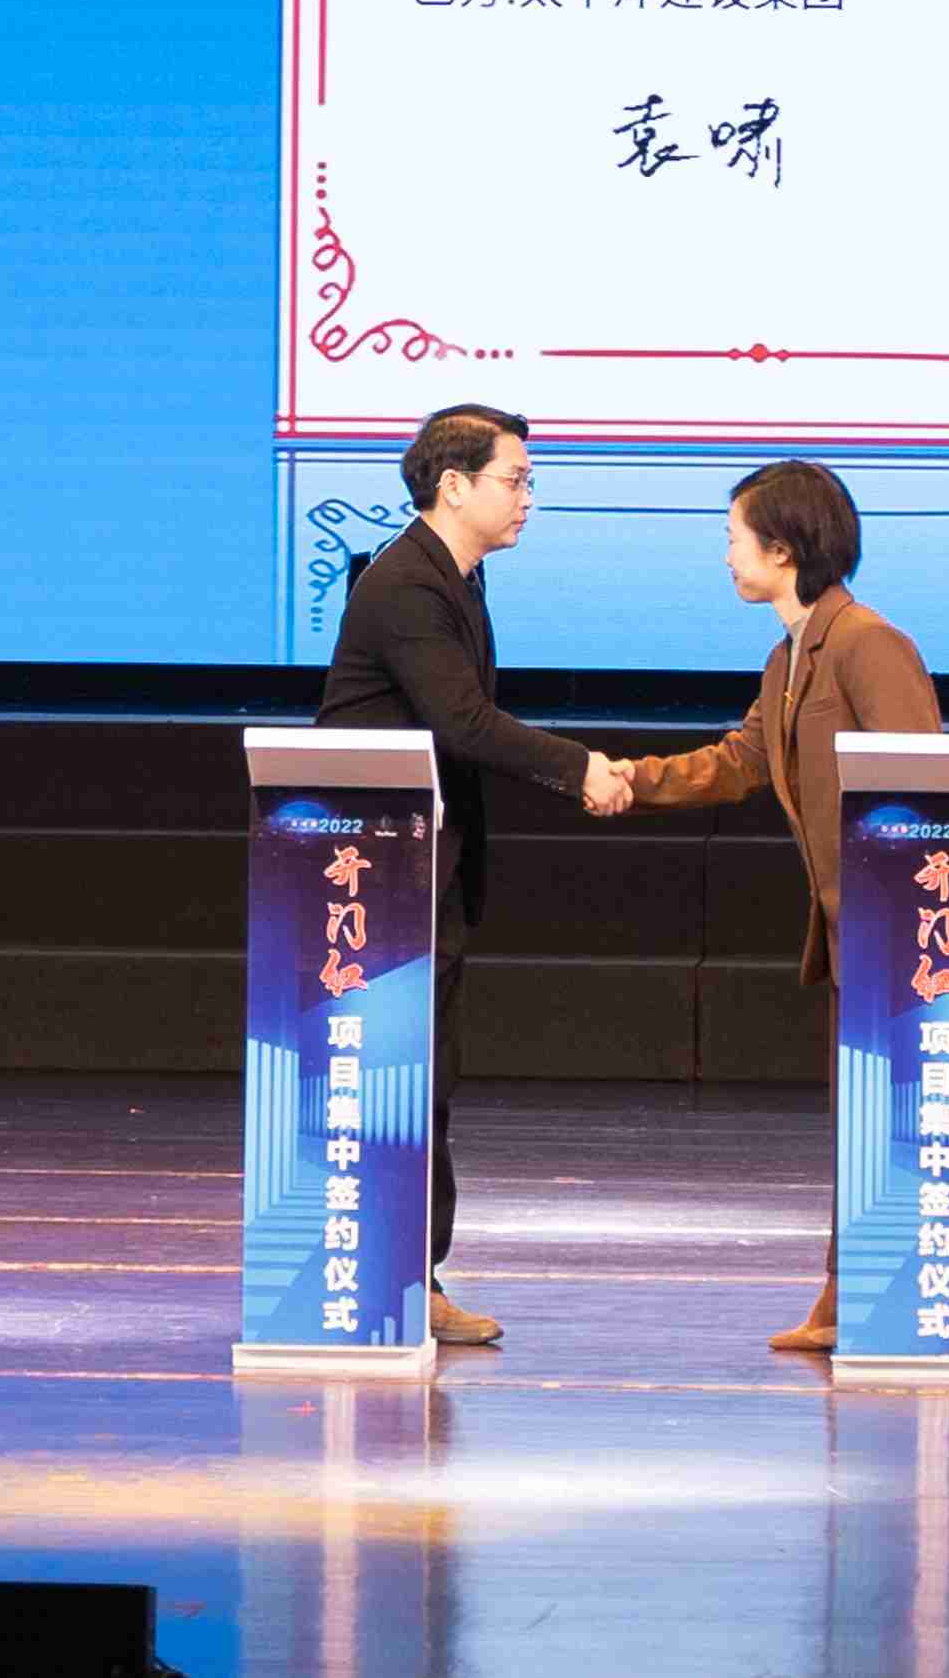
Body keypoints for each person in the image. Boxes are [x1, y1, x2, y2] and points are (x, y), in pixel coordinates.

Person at [314, 401, 629, 1350]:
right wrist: (579, 766)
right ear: (453, 486)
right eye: (516, 479)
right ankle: (393, 1276)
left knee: (426, 1075)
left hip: (420, 863)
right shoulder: (409, 584)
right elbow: (464, 723)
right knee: (398, 1075)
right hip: (377, 870)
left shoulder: (457, 576)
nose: (528, 497)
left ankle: (411, 1275)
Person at [619, 457, 944, 1356]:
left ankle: (887, 1294)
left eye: (734, 537)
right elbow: (738, 762)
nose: (726, 554)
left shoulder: (866, 643)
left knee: (896, 1117)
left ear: (783, 548)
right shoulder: (789, 658)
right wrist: (623, 778)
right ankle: (851, 1291)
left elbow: (931, 786)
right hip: (853, 931)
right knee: (864, 1116)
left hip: (901, 931)